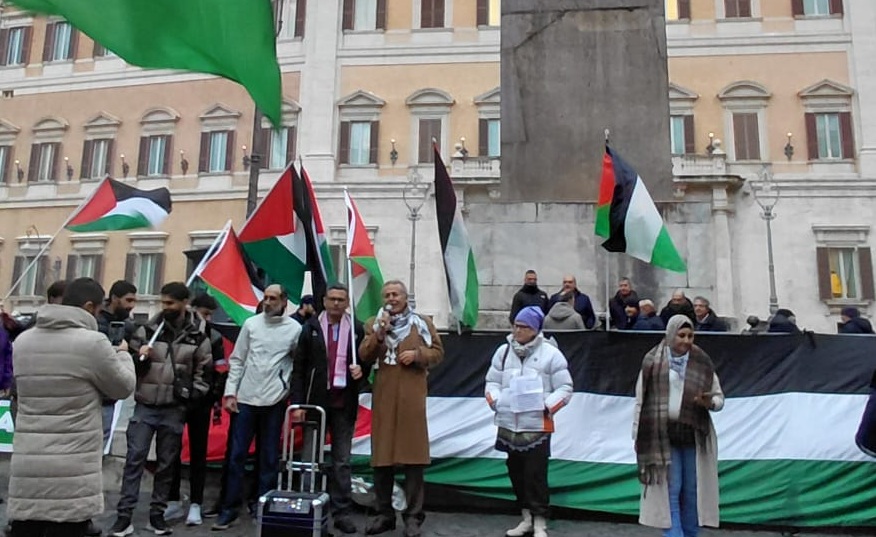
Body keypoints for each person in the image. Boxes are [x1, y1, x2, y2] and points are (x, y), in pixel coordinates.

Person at [8, 277, 136, 537]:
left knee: (26, 529)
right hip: (73, 468)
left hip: (29, 464)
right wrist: (123, 353)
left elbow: (18, 398)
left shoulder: (23, 342)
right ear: (89, 307)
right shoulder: (92, 343)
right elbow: (122, 387)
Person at [109, 282, 212, 537]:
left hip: (173, 408)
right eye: (162, 302)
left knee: (167, 465)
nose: (165, 307)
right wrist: (138, 357)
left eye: (170, 303)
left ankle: (157, 515)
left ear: (184, 303)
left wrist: (190, 398)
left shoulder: (197, 335)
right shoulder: (147, 330)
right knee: (135, 460)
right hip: (145, 405)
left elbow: (204, 371)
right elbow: (126, 368)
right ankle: (124, 516)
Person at [213, 284, 303, 531]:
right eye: (266, 298)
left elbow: (298, 364)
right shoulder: (251, 325)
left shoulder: (295, 329)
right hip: (245, 400)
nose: (268, 302)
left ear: (284, 301)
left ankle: (263, 505)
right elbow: (238, 360)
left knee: (269, 457)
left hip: (274, 401)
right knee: (237, 455)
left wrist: (288, 392)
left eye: (273, 298)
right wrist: (230, 393)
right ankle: (228, 509)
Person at [359, 280, 444, 537]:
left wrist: (418, 355)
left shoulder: (422, 324)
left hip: (411, 398)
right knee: (382, 459)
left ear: (406, 298)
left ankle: (413, 517)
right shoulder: (374, 323)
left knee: (413, 459)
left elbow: (438, 353)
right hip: (384, 398)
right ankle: (384, 514)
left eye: (396, 294)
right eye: (387, 295)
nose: (391, 298)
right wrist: (378, 335)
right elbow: (364, 355)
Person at [485, 306, 573, 537]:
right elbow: (491, 382)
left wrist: (546, 405)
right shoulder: (503, 352)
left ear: (535, 329)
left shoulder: (552, 354)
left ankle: (541, 521)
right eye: (516, 325)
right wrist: (496, 401)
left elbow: (565, 387)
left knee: (536, 474)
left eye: (524, 327)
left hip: (537, 426)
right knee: (516, 472)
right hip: (508, 424)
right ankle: (525, 518)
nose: (518, 330)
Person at [633, 315, 724, 537]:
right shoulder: (652, 361)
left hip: (693, 436)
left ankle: (691, 533)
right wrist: (637, 434)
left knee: (691, 492)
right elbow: (640, 400)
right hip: (662, 437)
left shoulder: (702, 361)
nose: (685, 340)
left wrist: (709, 402)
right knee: (672, 491)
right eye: (681, 335)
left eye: (690, 336)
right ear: (671, 334)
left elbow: (719, 399)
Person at [291, 283, 368, 534]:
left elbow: (366, 361)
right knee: (310, 458)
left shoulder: (356, 329)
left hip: (343, 403)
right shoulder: (310, 328)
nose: (336, 303)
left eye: (341, 300)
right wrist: (298, 403)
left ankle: (342, 511)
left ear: (347, 303)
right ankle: (306, 505)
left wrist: (362, 371)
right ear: (324, 301)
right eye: (332, 299)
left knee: (342, 461)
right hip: (315, 402)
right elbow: (299, 369)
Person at [166, 292, 225, 526]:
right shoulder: (178, 332)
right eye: (204, 313)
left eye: (210, 315)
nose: (207, 318)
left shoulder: (215, 336)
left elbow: (221, 369)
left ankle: (196, 504)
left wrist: (215, 395)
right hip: (177, 400)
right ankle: (171, 500)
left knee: (199, 453)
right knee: (170, 452)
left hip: (202, 402)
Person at [96, 280, 138, 447]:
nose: (132, 306)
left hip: (111, 397)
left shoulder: (129, 325)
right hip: (95, 393)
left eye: (134, 301)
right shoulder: (97, 322)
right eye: (128, 300)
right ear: (114, 298)